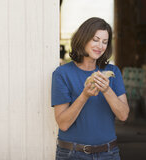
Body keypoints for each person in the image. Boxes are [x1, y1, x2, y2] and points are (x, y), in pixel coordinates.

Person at [51, 17, 130, 160]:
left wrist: (107, 90)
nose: (100, 46)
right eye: (95, 39)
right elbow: (63, 124)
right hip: (71, 154)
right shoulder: (62, 74)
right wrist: (84, 95)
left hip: (109, 153)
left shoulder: (113, 72)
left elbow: (123, 115)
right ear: (83, 38)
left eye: (104, 42)